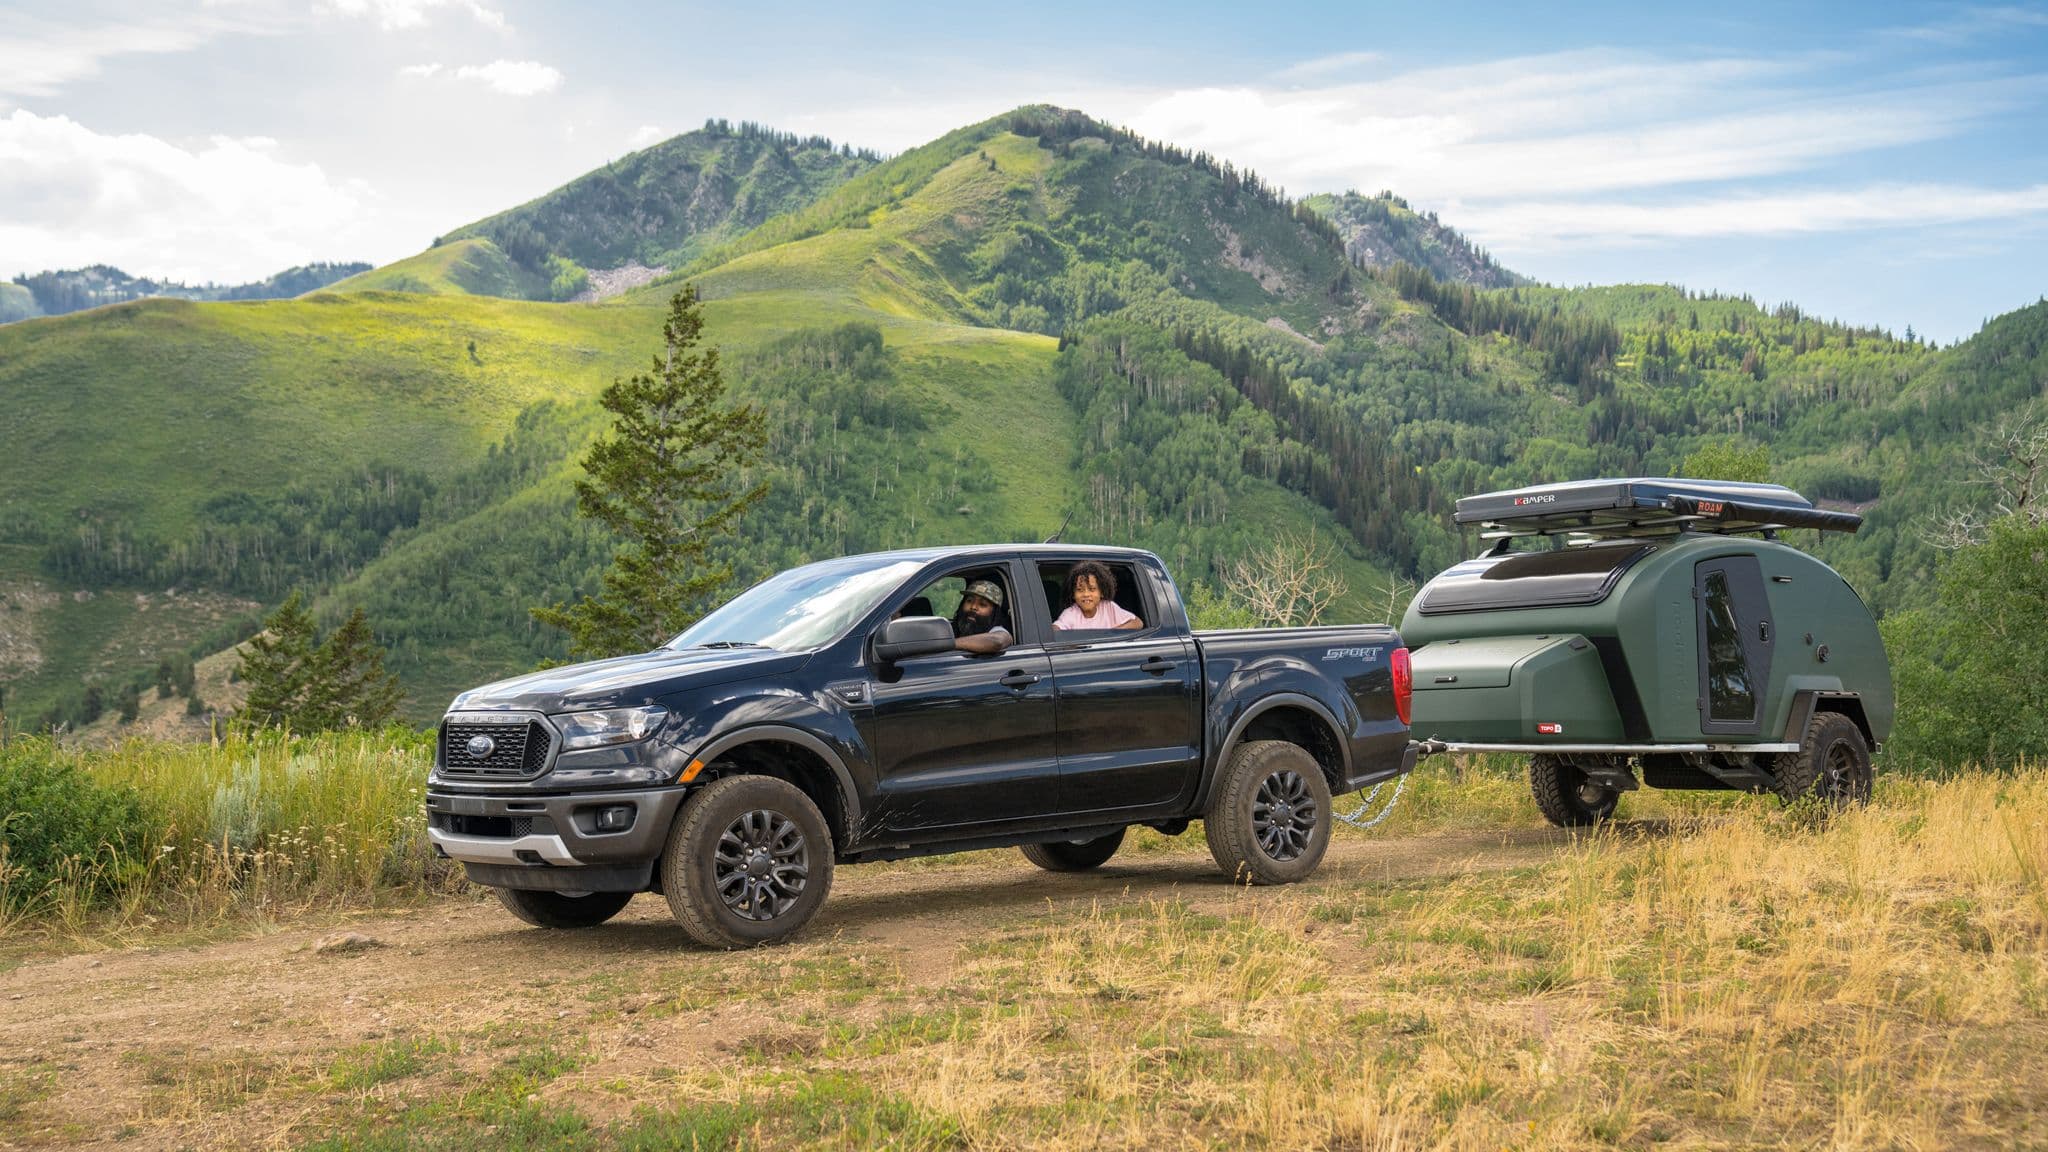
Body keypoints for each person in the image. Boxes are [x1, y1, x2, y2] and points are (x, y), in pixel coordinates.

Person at [1054, 561, 1144, 631]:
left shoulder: (1108, 607)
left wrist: (1112, 633)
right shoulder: (1070, 614)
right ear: (1073, 594)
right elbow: (1056, 629)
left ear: (1102, 592)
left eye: (1092, 589)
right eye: (1079, 590)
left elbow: (1138, 623)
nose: (1086, 594)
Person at [952, 579, 1014, 654]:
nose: (973, 607)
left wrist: (948, 644)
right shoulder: (955, 627)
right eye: (969, 601)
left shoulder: (995, 630)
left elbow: (997, 641)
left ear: (994, 612)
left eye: (982, 604)